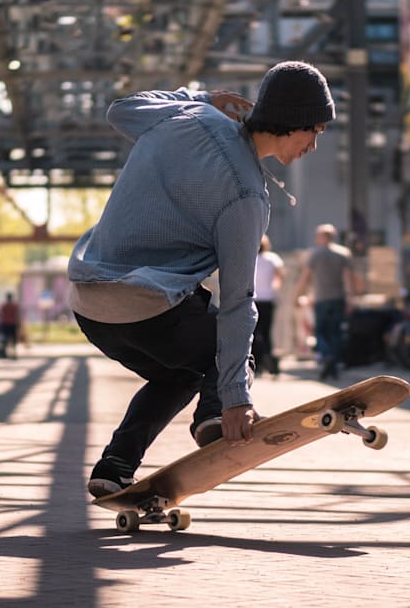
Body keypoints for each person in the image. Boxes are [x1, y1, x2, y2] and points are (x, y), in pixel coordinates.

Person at [68, 60, 336, 497]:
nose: (314, 146)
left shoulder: (189, 116)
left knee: (179, 374)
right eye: (316, 132)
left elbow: (121, 110)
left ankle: (116, 465)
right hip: (149, 307)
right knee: (229, 353)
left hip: (89, 305)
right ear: (294, 121)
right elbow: (236, 302)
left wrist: (203, 98)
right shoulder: (247, 196)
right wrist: (234, 397)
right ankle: (215, 419)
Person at [294, 223, 356, 380]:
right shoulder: (343, 253)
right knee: (336, 332)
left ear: (323, 237)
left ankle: (327, 356)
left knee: (320, 332)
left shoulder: (315, 254)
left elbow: (306, 277)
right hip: (338, 297)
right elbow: (348, 278)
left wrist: (297, 295)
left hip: (321, 298)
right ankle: (333, 365)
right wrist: (350, 297)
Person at [252, 234, 284, 376]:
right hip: (268, 299)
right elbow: (280, 276)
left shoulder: (250, 258)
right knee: (267, 332)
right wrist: (274, 287)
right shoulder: (273, 258)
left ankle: (257, 365)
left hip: (253, 299)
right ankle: (270, 364)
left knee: (254, 332)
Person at [0, 292, 22, 358]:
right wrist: (19, 323)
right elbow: (17, 315)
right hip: (13, 323)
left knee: (5, 338)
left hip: (6, 323)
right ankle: (14, 353)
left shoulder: (4, 306)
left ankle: (5, 352)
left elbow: (1, 315)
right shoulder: (14, 306)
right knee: (13, 339)